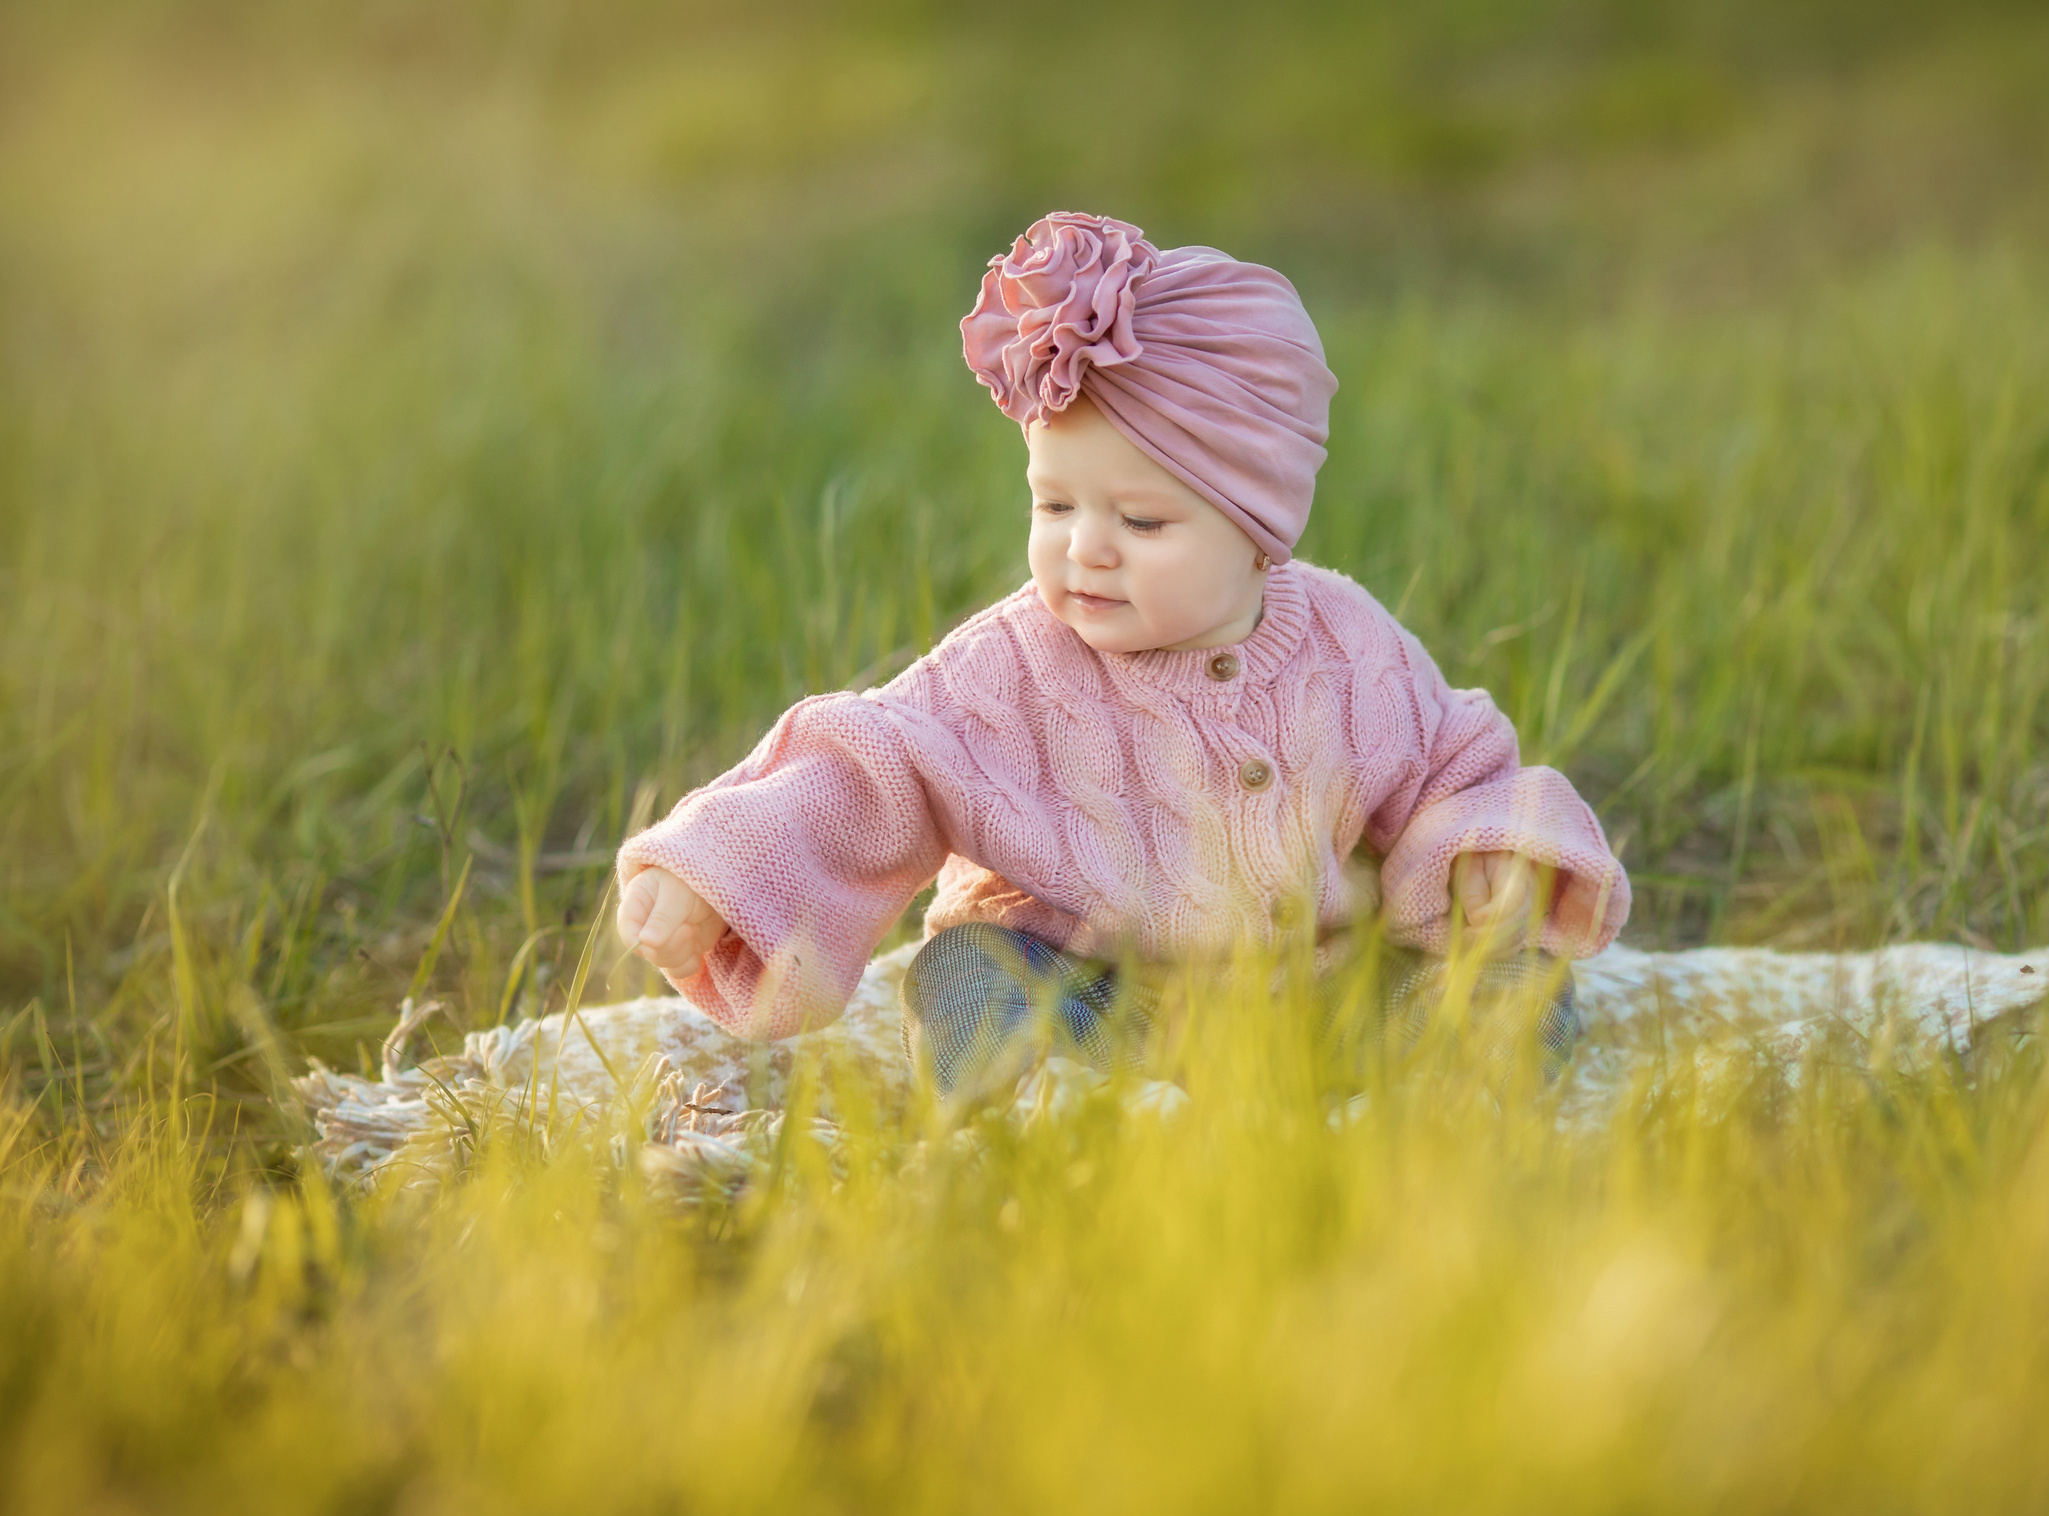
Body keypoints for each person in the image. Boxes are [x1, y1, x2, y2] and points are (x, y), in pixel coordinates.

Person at [615, 212, 1630, 1105]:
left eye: (1141, 520)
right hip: (1100, 998)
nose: (1083, 546)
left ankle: (1444, 1101)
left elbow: (1453, 762)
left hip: (1323, 994)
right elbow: (869, 765)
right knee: (968, 974)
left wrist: (1485, 853)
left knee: (1512, 984)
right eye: (1053, 505)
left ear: (1256, 530)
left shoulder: (1348, 646)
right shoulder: (1010, 667)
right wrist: (725, 870)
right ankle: (1038, 1116)